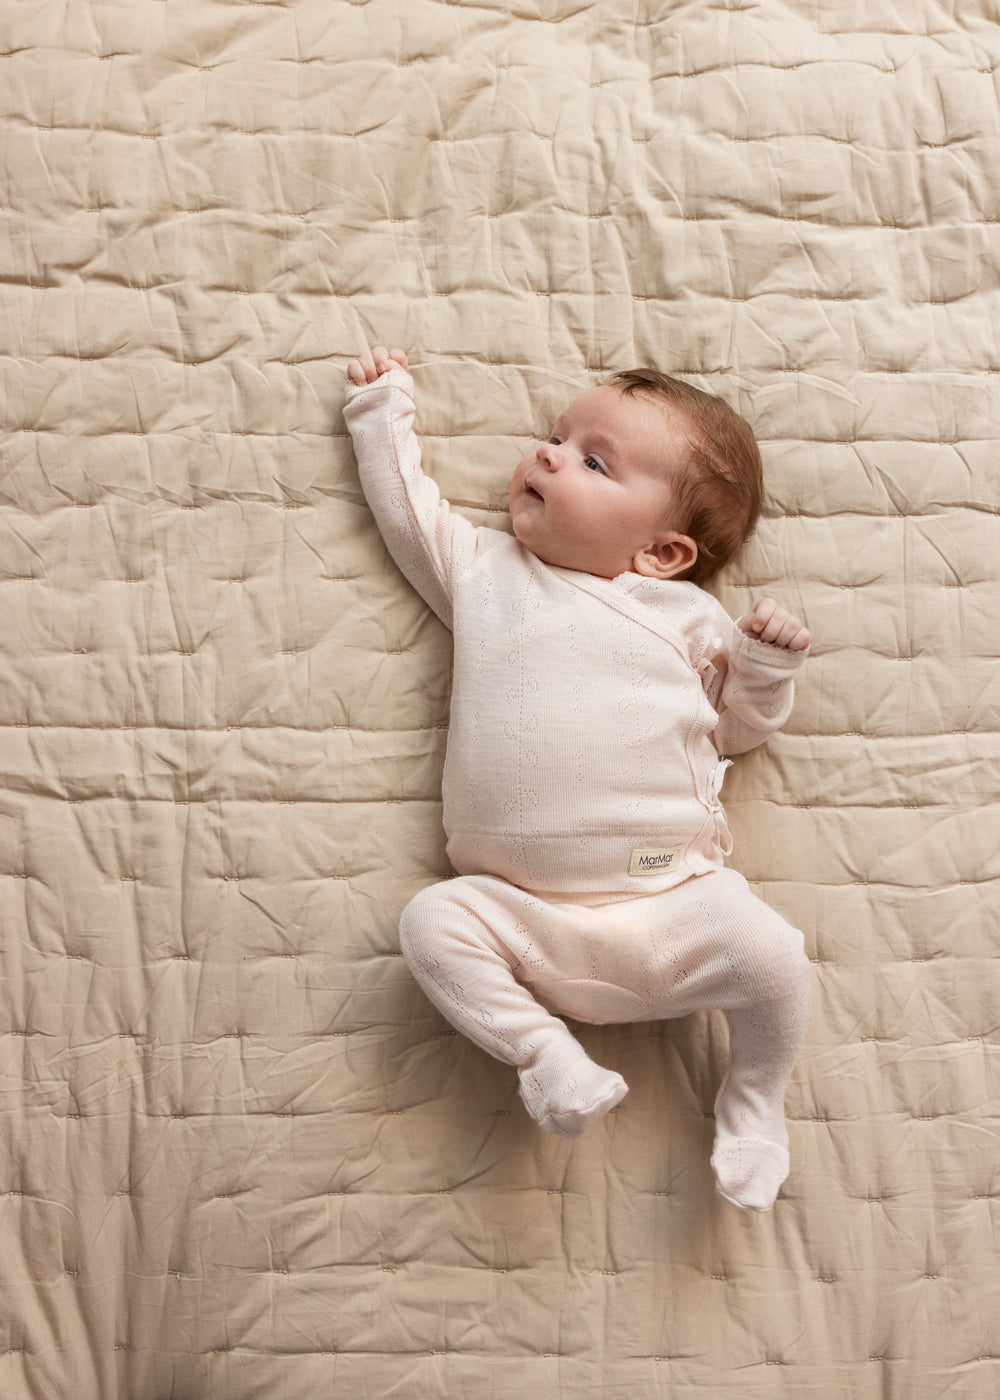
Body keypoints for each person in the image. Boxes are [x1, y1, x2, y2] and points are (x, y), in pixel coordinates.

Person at [344, 346, 811, 1212]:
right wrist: (382, 410)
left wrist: (766, 670)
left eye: (595, 461)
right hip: (527, 918)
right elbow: (408, 512)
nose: (550, 455)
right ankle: (547, 1057)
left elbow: (736, 733)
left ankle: (754, 1099)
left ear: (663, 552)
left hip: (669, 900)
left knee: (775, 956)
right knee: (432, 922)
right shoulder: (487, 571)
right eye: (557, 437)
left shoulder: (690, 617)